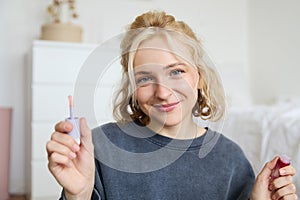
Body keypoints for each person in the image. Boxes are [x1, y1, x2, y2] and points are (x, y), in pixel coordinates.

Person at [46, 11, 297, 200]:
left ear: (198, 77)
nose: (163, 92)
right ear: (133, 87)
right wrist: (77, 195)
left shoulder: (231, 159)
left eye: (176, 72)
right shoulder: (100, 147)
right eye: (145, 78)